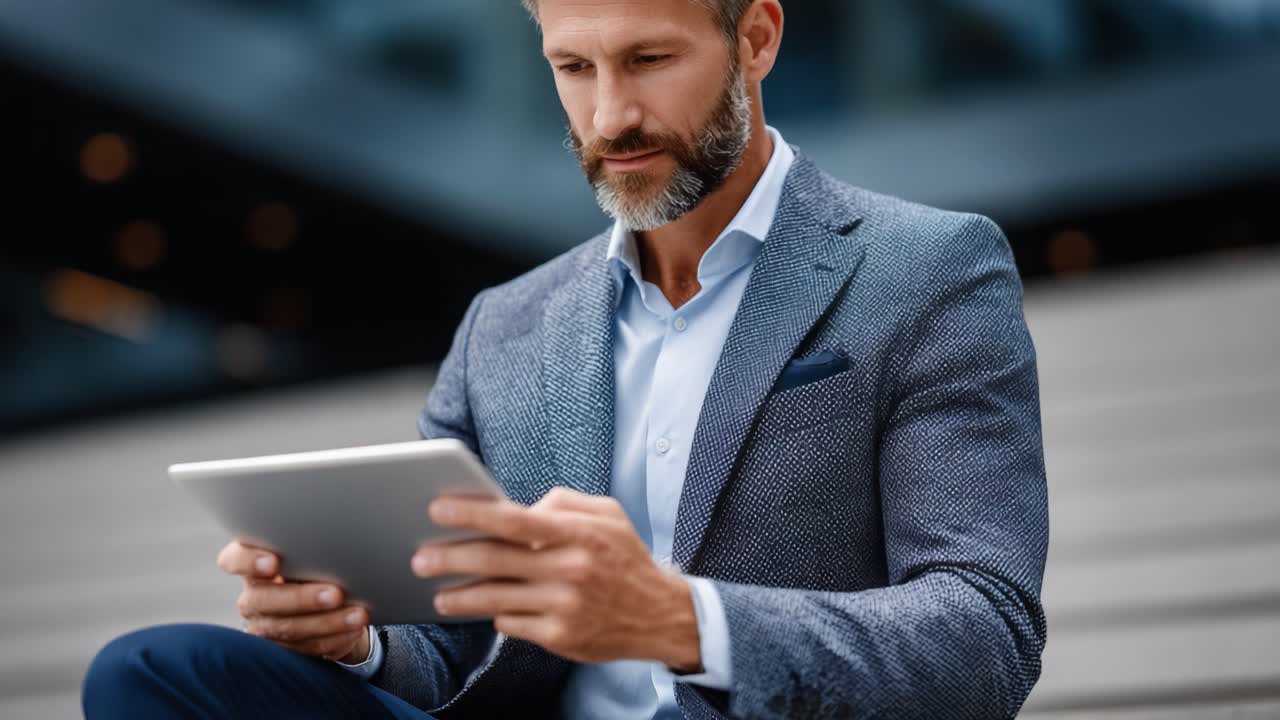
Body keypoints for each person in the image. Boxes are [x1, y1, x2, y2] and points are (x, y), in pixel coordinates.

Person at [82, 0, 1049, 717]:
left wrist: (678, 620)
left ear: (756, 38)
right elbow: (453, 657)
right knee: (148, 674)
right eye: (573, 68)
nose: (611, 116)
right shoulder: (503, 325)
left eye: (649, 59)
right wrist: (363, 643)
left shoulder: (926, 268)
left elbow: (985, 634)